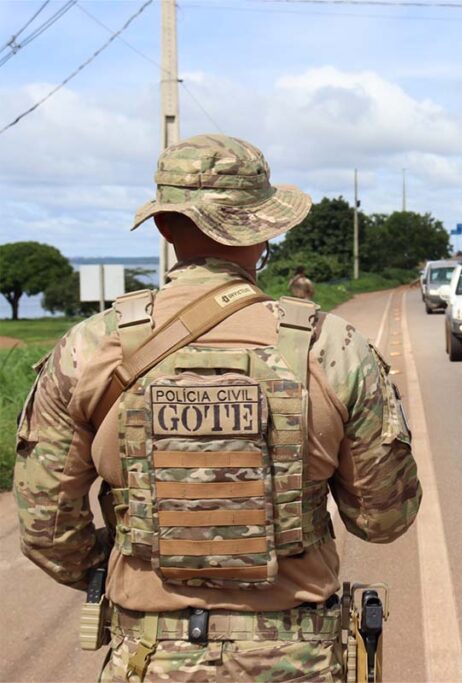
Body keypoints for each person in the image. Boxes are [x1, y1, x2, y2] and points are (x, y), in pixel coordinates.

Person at [13, 134, 422, 681]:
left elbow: (49, 531)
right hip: (297, 658)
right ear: (265, 230)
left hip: (148, 657)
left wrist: (144, 553)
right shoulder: (331, 346)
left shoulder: (89, 348)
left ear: (163, 226)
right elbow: (384, 518)